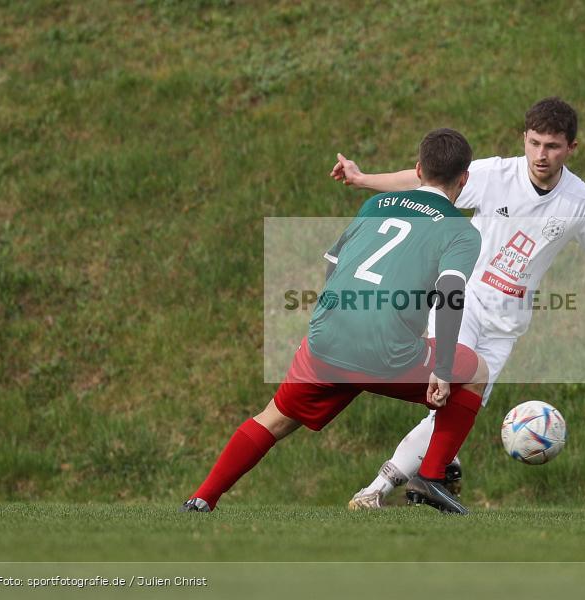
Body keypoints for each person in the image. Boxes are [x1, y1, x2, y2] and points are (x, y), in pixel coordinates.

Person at [331, 97, 585, 509]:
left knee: (454, 411)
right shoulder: (495, 175)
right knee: (444, 397)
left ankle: (431, 471)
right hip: (462, 303)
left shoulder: (582, 201)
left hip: (507, 326)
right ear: (524, 139)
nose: (541, 155)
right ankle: (379, 490)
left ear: (571, 148)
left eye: (552, 146)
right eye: (534, 143)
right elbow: (426, 182)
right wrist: (363, 179)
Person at [181, 128, 488, 515]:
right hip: (388, 351)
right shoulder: (461, 231)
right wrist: (442, 369)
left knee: (275, 418)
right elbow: (450, 294)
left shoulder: (377, 204)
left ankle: (201, 499)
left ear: (417, 169)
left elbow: (333, 261)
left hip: (327, 337)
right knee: (476, 371)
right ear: (464, 178)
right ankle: (430, 477)